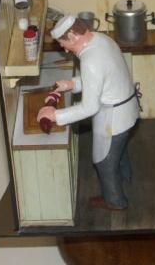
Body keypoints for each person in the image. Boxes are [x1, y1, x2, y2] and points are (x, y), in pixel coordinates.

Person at [37, 15, 139, 210]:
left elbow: (90, 107)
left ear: (74, 35)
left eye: (64, 44)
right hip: (128, 109)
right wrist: (71, 84)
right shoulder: (101, 39)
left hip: (113, 118)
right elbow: (102, 77)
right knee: (120, 149)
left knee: (105, 163)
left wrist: (55, 116)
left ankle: (115, 201)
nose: (65, 50)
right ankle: (126, 175)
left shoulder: (90, 60)